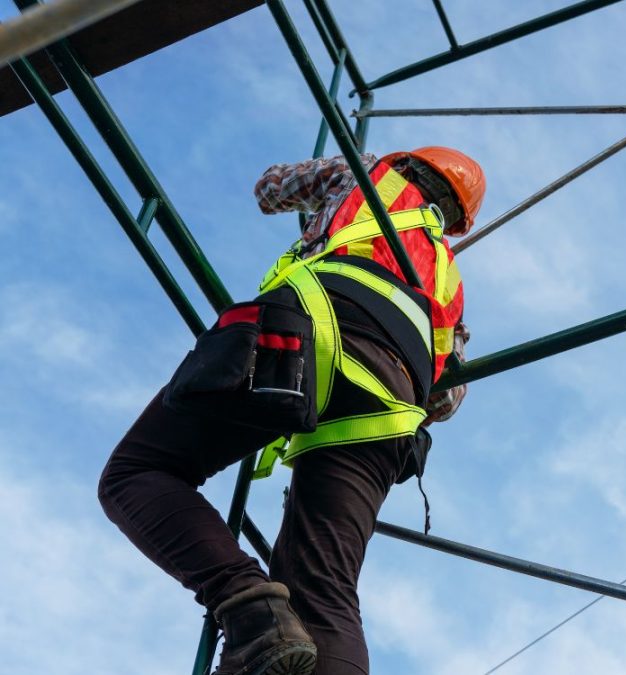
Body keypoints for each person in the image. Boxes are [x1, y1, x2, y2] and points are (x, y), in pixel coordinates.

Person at [97, 147, 485, 675]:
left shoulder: (362, 172)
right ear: (459, 221)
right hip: (389, 407)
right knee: (326, 592)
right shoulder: (450, 285)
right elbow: (443, 399)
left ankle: (250, 606)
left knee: (136, 473)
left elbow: (269, 190)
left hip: (307, 337)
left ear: (407, 165)